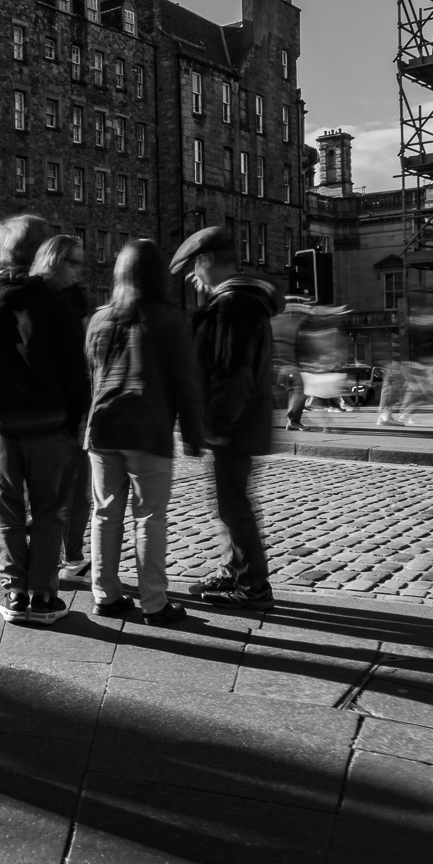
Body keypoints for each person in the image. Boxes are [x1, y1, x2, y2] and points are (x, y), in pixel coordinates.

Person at [0, 214, 90, 627]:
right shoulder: (55, 300)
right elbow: (73, 368)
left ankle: (14, 592)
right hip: (49, 425)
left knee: (7, 514)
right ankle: (44, 597)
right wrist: (73, 420)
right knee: (49, 513)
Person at [84, 240, 206, 625]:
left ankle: (105, 595)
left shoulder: (100, 320)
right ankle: (154, 602)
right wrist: (192, 434)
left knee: (105, 514)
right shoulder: (169, 319)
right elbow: (186, 383)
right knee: (149, 517)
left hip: (102, 429)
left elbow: (91, 375)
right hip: (148, 430)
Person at [170, 226, 282, 610]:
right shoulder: (236, 301)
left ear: (207, 260)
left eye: (194, 267)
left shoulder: (235, 305)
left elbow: (233, 374)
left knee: (233, 504)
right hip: (238, 423)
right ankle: (236, 568)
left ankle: (253, 584)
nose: (192, 277)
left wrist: (214, 426)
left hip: (233, 425)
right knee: (228, 501)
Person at [30, 235, 93, 575]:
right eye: (73, 261)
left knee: (78, 491)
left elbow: (82, 356)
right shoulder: (33, 299)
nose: (79, 269)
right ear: (53, 260)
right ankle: (45, 561)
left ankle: (72, 555)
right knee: (47, 494)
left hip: (74, 409)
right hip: (44, 412)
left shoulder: (76, 299)